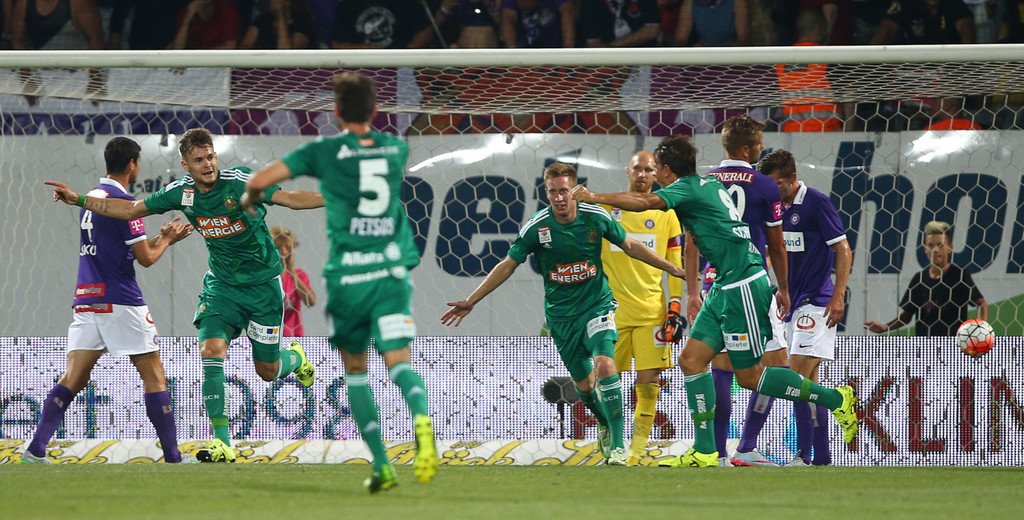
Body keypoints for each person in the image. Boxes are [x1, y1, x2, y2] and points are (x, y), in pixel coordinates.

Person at [571, 135, 858, 468]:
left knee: (749, 377)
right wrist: (694, 288)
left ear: (666, 169)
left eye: (657, 169)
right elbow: (695, 236)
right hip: (724, 284)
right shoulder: (704, 185)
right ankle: (706, 451)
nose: (654, 176)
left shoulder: (685, 188)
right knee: (691, 360)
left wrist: (594, 196)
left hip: (743, 285)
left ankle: (836, 398)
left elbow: (645, 202)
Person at [45, 128, 322, 464]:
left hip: (263, 286)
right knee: (211, 350)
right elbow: (130, 210)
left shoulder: (239, 183)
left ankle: (295, 358)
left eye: (211, 157)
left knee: (267, 369)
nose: (208, 164)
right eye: (199, 160)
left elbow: (290, 198)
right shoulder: (181, 192)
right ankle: (223, 443)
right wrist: (78, 199)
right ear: (186, 165)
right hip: (222, 286)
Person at [243, 72, 438, 493]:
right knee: (399, 362)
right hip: (389, 274)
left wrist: (251, 198)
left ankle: (382, 464)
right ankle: (422, 419)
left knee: (356, 371)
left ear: (335, 112)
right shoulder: (395, 148)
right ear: (375, 110)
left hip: (350, 278)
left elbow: (259, 181)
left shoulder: (324, 151)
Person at [442, 162, 686, 467]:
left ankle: (618, 445)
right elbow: (507, 265)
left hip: (597, 305)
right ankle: (603, 421)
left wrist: (671, 268)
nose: (559, 197)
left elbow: (631, 245)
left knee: (606, 364)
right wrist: (472, 300)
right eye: (553, 192)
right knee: (584, 387)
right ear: (547, 193)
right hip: (561, 317)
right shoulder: (537, 228)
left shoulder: (595, 217)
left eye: (564, 191)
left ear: (575, 190)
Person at [23, 137, 194, 464]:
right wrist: (166, 240)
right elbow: (145, 258)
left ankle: (35, 449)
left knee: (73, 378)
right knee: (154, 375)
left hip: (87, 300)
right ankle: (174, 456)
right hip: (121, 301)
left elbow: (118, 249)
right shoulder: (125, 204)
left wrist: (161, 238)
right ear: (132, 164)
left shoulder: (93, 199)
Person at [700, 115, 791, 467]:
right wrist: (784, 288)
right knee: (777, 364)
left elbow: (692, 240)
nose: (762, 149)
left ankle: (718, 453)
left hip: (715, 282)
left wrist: (692, 290)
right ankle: (747, 445)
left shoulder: (706, 182)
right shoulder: (765, 185)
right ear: (745, 149)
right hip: (752, 283)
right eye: (758, 145)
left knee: (721, 367)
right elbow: (776, 245)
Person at [760, 149, 852, 466]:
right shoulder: (775, 208)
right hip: (793, 304)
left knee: (792, 377)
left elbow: (843, 249)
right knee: (808, 384)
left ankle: (798, 452)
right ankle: (820, 457)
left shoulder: (816, 202)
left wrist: (839, 295)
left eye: (776, 184)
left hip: (818, 303)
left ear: (791, 178)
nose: (772, 191)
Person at [600, 150, 684, 466]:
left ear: (657, 174)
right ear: (627, 170)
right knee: (606, 384)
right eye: (637, 168)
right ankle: (612, 440)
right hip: (612, 313)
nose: (643, 175)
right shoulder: (606, 210)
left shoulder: (667, 214)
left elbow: (675, 265)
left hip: (652, 313)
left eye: (649, 170)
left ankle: (634, 453)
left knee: (648, 387)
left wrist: (674, 307)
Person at [865, 220, 988, 336]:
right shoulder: (919, 279)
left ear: (950, 248)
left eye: (940, 245)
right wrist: (885, 327)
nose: (935, 250)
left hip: (952, 346)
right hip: (925, 346)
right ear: (925, 249)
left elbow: (982, 304)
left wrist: (981, 329)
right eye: (930, 245)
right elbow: (906, 316)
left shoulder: (959, 274)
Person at [330, 0, 435, 49]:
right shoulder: (348, 5)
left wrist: (407, 53)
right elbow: (337, 44)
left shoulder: (407, 3)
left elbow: (424, 30)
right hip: (360, 67)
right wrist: (369, 49)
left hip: (404, 68)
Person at [271, 226, 316, 337]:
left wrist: (291, 270)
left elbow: (311, 302)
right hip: (270, 336)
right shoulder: (266, 277)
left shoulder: (299, 275)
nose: (283, 251)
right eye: (279, 247)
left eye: (287, 248)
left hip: (294, 337)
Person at [239, 0, 319, 50]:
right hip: (261, 68)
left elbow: (286, 53)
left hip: (291, 70)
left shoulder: (304, 24)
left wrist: (281, 16)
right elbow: (245, 46)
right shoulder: (262, 19)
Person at [579, 0, 661, 47]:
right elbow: (593, 43)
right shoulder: (589, 2)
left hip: (645, 58)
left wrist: (612, 48)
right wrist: (615, 60)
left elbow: (651, 31)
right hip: (608, 63)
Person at [672, 0, 752, 47]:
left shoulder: (737, 2)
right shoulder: (690, 3)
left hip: (730, 53)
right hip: (704, 52)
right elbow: (680, 39)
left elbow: (743, 39)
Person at [500, 0, 576, 48]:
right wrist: (513, 55)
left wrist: (567, 51)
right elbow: (508, 17)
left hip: (555, 47)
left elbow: (567, 12)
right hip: (525, 51)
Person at [169, 0, 240, 50]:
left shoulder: (226, 10)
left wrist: (198, 58)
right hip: (193, 64)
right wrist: (187, 20)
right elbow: (177, 49)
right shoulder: (186, 11)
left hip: (219, 62)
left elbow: (230, 46)